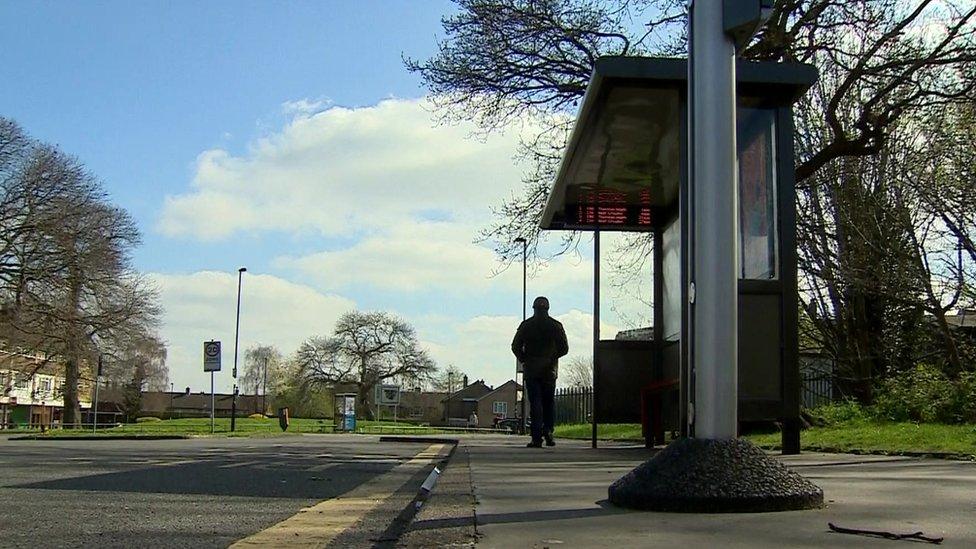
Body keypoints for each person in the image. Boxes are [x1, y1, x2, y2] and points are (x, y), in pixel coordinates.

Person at [511, 296, 569, 448]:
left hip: (532, 369)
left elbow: (515, 346)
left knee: (535, 402)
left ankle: (536, 437)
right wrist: (552, 357)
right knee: (549, 402)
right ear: (548, 309)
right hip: (549, 370)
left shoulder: (526, 326)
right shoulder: (556, 326)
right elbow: (565, 348)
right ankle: (548, 431)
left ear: (534, 308)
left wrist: (524, 359)